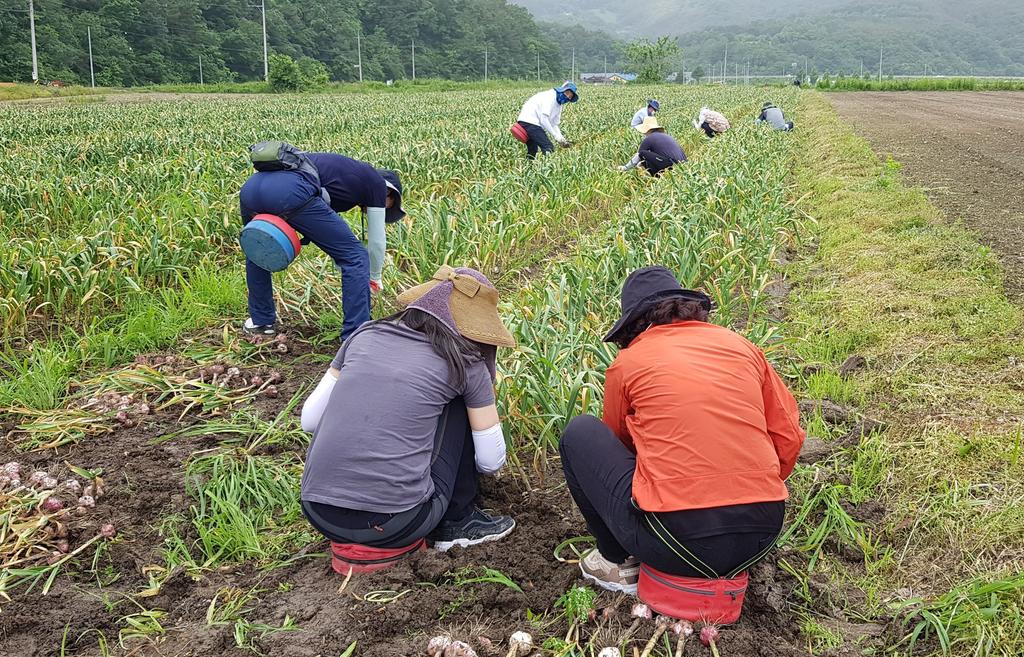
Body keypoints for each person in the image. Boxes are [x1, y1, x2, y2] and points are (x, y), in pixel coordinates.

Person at [559, 266, 805, 593]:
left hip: (673, 543)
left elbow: (619, 447)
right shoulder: (742, 347)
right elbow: (788, 437)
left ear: (633, 325)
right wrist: (746, 487)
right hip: (762, 535)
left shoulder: (629, 363)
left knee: (579, 433)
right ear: (689, 309)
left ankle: (617, 562)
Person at [299, 265, 517, 553]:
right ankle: (458, 523)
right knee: (456, 404)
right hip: (399, 522)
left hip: (319, 512)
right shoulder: (463, 360)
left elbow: (310, 420)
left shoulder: (364, 335)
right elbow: (491, 462)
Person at [239, 153, 405, 341]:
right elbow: (376, 241)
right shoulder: (376, 182)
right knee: (356, 256)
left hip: (250, 190)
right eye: (390, 206)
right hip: (290, 192)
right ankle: (356, 336)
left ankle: (261, 322)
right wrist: (374, 277)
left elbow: (328, 235)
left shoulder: (339, 178)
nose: (386, 210)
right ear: (389, 192)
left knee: (257, 249)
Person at [516, 81, 578, 159]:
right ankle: (547, 167)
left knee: (533, 149)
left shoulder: (559, 105)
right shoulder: (550, 97)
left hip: (532, 123)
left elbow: (554, 124)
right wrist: (556, 136)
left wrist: (561, 139)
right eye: (567, 93)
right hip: (529, 121)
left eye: (570, 96)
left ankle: (529, 165)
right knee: (548, 147)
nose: (568, 97)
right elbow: (544, 119)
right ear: (562, 90)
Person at [618, 116, 686, 177]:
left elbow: (638, 156)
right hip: (682, 166)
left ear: (647, 130)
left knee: (643, 153)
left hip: (670, 164)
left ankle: (657, 177)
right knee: (645, 161)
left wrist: (625, 168)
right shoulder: (666, 136)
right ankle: (658, 177)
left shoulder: (650, 138)